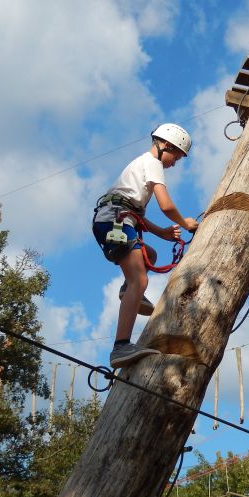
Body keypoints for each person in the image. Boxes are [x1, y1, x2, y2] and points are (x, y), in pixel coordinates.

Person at [92, 123, 199, 369]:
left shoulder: (141, 165)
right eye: (176, 157)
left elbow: (133, 212)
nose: (174, 163)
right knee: (140, 281)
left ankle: (126, 290)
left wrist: (162, 232)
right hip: (114, 221)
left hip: (113, 219)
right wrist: (185, 223)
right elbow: (166, 205)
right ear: (166, 146)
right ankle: (120, 346)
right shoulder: (153, 164)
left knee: (148, 254)